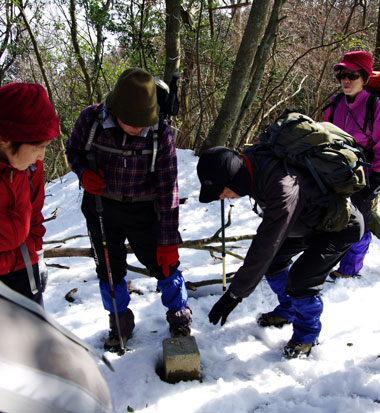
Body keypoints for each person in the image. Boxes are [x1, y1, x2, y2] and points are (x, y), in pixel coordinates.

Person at [66, 68, 192, 352]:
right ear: (115, 109)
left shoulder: (160, 132)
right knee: (109, 270)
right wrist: (84, 173)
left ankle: (179, 316)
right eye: (131, 123)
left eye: (142, 123)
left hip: (144, 209)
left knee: (165, 265)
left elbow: (168, 188)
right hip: (100, 206)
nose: (138, 129)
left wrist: (169, 241)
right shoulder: (91, 119)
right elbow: (73, 151)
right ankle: (119, 322)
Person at [197, 146, 363, 358]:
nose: (223, 197)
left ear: (235, 179)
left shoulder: (282, 187)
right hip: (306, 221)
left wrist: (234, 294)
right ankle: (289, 310)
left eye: (223, 191)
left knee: (301, 282)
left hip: (339, 227)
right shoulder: (253, 164)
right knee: (274, 264)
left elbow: (266, 244)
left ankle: (307, 336)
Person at [0, 82, 60, 307]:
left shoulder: (31, 166)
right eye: (37, 147)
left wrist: (37, 256)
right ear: (5, 140)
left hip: (23, 268)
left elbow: (34, 213)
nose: (41, 156)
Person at [324, 50, 380, 279]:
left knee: (361, 219)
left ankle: (349, 269)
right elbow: (325, 135)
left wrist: (376, 178)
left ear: (365, 79)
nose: (346, 81)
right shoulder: (335, 103)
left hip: (368, 171)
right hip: (338, 170)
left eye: (353, 76)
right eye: (342, 76)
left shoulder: (375, 105)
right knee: (340, 214)